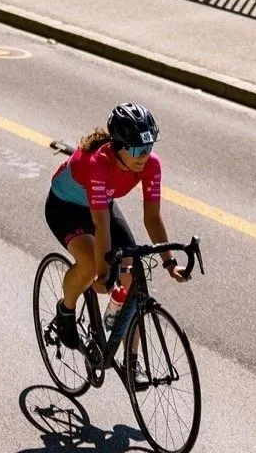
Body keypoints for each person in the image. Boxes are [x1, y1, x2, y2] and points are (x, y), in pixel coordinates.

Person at [44, 103, 191, 375]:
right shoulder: (99, 163)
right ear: (118, 147)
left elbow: (152, 218)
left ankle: (131, 361)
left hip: (102, 204)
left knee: (132, 271)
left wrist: (170, 264)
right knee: (90, 265)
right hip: (66, 207)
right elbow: (101, 224)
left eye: (148, 147)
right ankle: (66, 309)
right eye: (136, 149)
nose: (143, 156)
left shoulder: (151, 164)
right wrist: (103, 274)